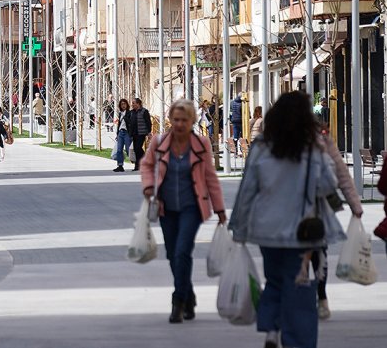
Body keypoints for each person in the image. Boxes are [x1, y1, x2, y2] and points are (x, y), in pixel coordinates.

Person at [229, 91, 345, 348]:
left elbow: (248, 189)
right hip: (300, 231)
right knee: (299, 286)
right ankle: (296, 340)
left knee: (274, 279)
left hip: (265, 230)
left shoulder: (260, 147)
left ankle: (271, 329)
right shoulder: (312, 149)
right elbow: (327, 184)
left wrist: (239, 226)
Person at [140, 99, 227, 324]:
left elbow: (209, 176)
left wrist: (219, 209)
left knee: (182, 252)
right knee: (172, 254)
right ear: (170, 120)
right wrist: (149, 186)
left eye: (184, 120)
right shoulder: (159, 143)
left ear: (192, 121)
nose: (179, 124)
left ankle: (178, 300)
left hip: (192, 207)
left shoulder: (201, 144)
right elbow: (147, 166)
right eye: (175, 119)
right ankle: (188, 295)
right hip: (165, 207)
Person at [312, 128, 363, 320]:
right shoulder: (317, 139)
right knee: (316, 254)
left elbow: (341, 174)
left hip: (303, 211)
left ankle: (318, 297)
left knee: (314, 253)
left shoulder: (320, 140)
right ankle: (318, 298)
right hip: (308, 209)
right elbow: (341, 175)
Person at [128, 98, 152, 171]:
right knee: (136, 149)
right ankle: (137, 165)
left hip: (141, 133)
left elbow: (148, 122)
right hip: (134, 133)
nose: (132, 104)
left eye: (134, 103)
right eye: (132, 103)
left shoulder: (144, 111)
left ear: (138, 104)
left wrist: (149, 132)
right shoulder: (131, 112)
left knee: (138, 148)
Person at [112, 98, 132, 172]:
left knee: (128, 149)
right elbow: (119, 124)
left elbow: (130, 122)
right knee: (119, 150)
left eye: (124, 104)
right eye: (122, 104)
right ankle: (120, 165)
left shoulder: (130, 113)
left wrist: (125, 116)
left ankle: (137, 162)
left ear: (127, 105)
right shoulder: (120, 113)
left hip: (127, 133)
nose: (123, 105)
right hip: (121, 132)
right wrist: (117, 134)